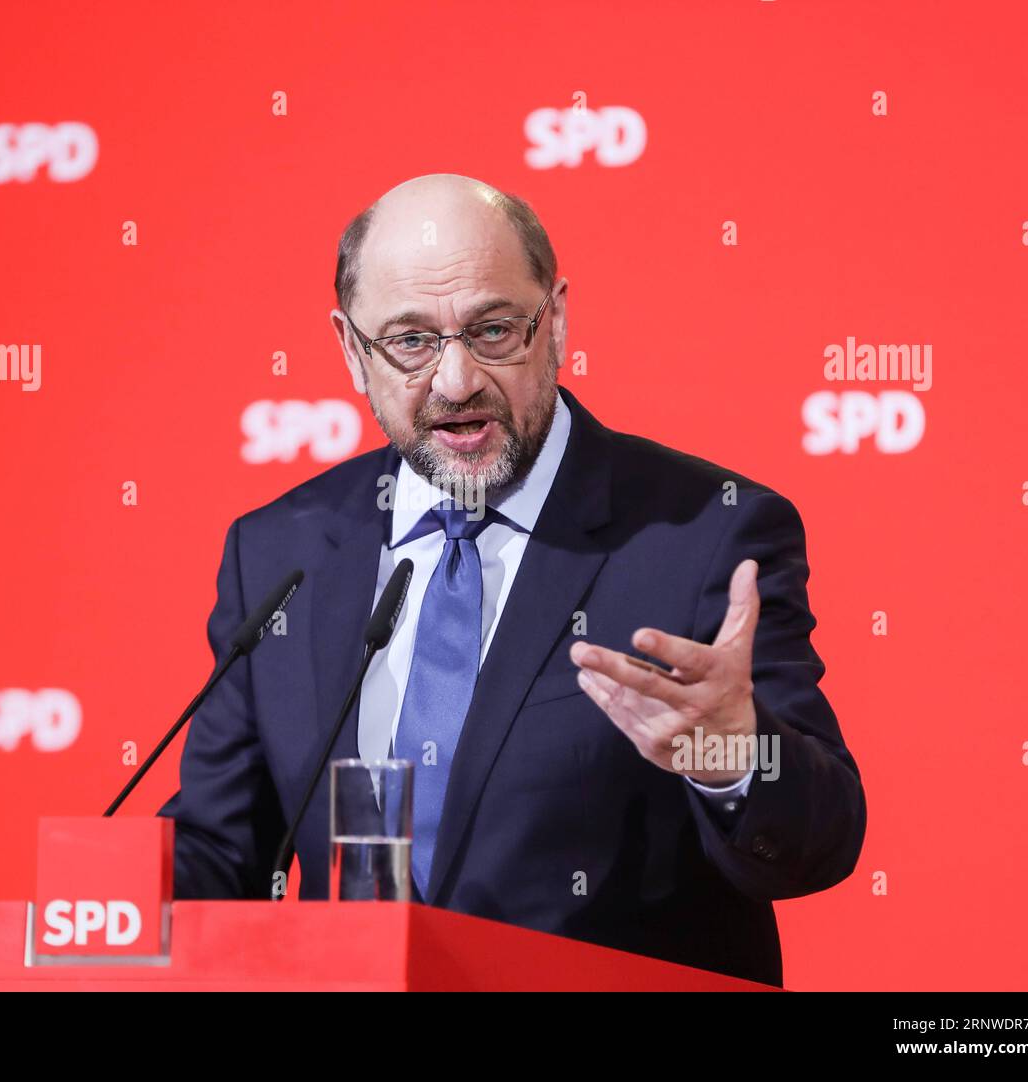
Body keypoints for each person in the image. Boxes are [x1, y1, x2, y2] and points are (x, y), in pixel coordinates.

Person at [157, 173, 866, 987]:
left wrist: (730, 750)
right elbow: (223, 851)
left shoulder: (704, 532)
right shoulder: (280, 552)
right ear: (352, 350)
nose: (457, 382)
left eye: (493, 330)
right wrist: (97, 917)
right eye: (411, 342)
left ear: (555, 319)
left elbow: (819, 842)